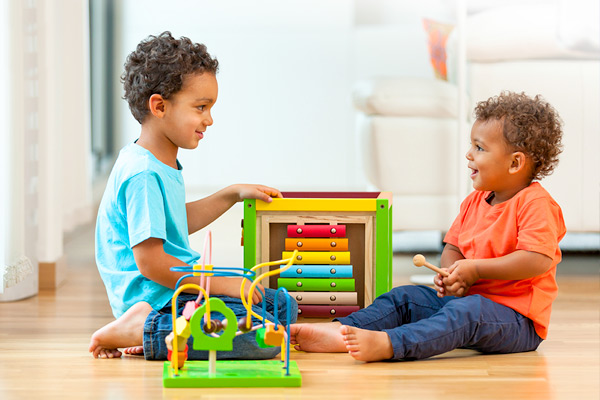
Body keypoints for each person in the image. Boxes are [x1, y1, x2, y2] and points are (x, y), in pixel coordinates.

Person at [290, 91, 566, 362]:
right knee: (405, 297)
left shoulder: (536, 203)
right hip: (467, 303)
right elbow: (453, 248)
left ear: (515, 162)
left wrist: (476, 269)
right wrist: (451, 274)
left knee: (466, 312)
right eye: (471, 145)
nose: (469, 155)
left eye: (479, 148)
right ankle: (343, 330)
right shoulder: (474, 201)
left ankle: (390, 344)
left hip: (516, 321)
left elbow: (536, 259)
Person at [88, 31, 296, 360]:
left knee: (283, 308)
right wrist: (219, 284)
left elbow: (173, 222)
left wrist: (230, 194)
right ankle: (146, 329)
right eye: (201, 107)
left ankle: (157, 330)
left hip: (176, 291)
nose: (209, 119)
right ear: (159, 106)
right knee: (265, 338)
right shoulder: (143, 173)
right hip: (158, 297)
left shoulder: (158, 162)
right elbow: (152, 264)